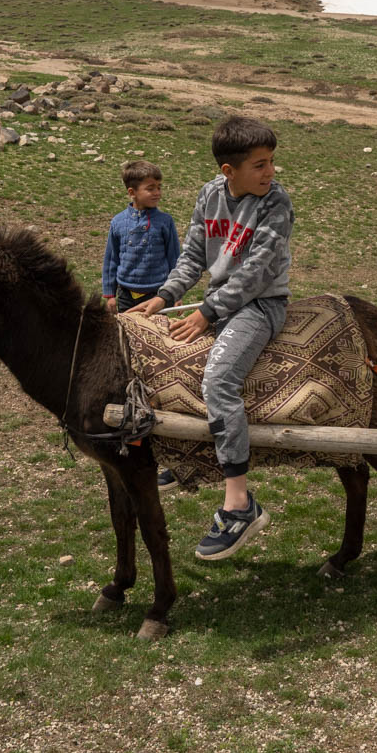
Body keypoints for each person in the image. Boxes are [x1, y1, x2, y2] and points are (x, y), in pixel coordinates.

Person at [133, 115, 294, 562]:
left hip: (261, 304)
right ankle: (186, 459)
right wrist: (163, 297)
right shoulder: (210, 195)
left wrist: (207, 313)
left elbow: (258, 270)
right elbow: (192, 257)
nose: (270, 172)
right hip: (219, 301)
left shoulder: (275, 202)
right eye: (260, 165)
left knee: (219, 379)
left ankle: (240, 505)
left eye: (271, 162)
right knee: (162, 359)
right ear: (229, 171)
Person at [102, 161, 180, 315]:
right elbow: (111, 260)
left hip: (156, 295)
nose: (157, 192)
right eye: (150, 189)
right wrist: (110, 294)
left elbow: (174, 258)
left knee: (154, 334)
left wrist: (175, 292)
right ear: (132, 192)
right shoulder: (118, 222)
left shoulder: (165, 221)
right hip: (125, 294)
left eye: (159, 187)